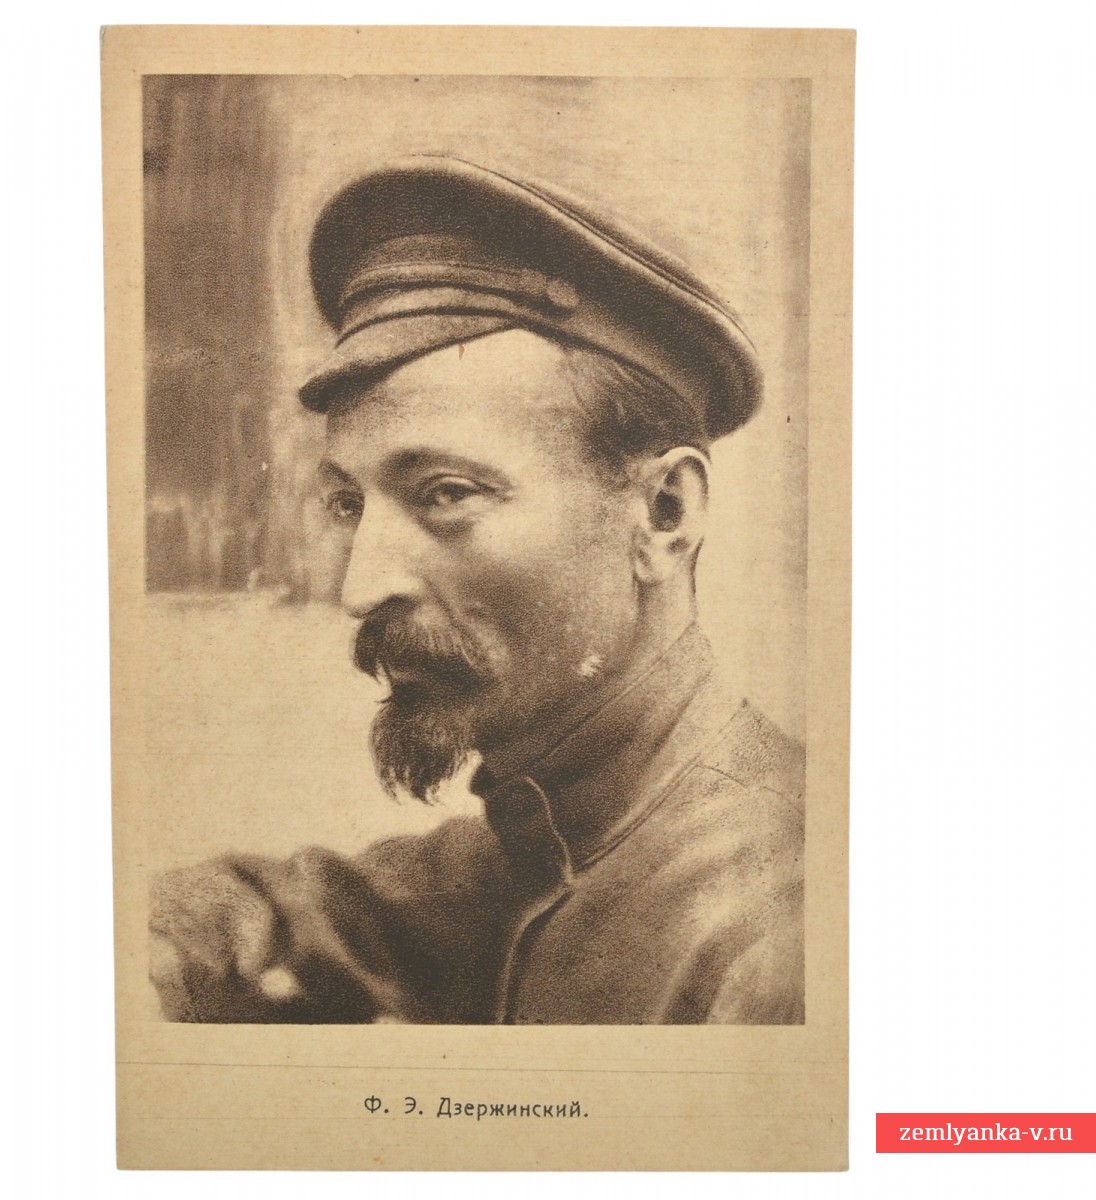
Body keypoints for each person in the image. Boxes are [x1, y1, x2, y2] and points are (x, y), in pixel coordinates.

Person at [149, 155, 804, 1025]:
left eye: (445, 494)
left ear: (663, 513)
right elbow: (295, 908)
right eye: (349, 504)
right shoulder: (524, 849)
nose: (359, 588)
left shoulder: (779, 932)